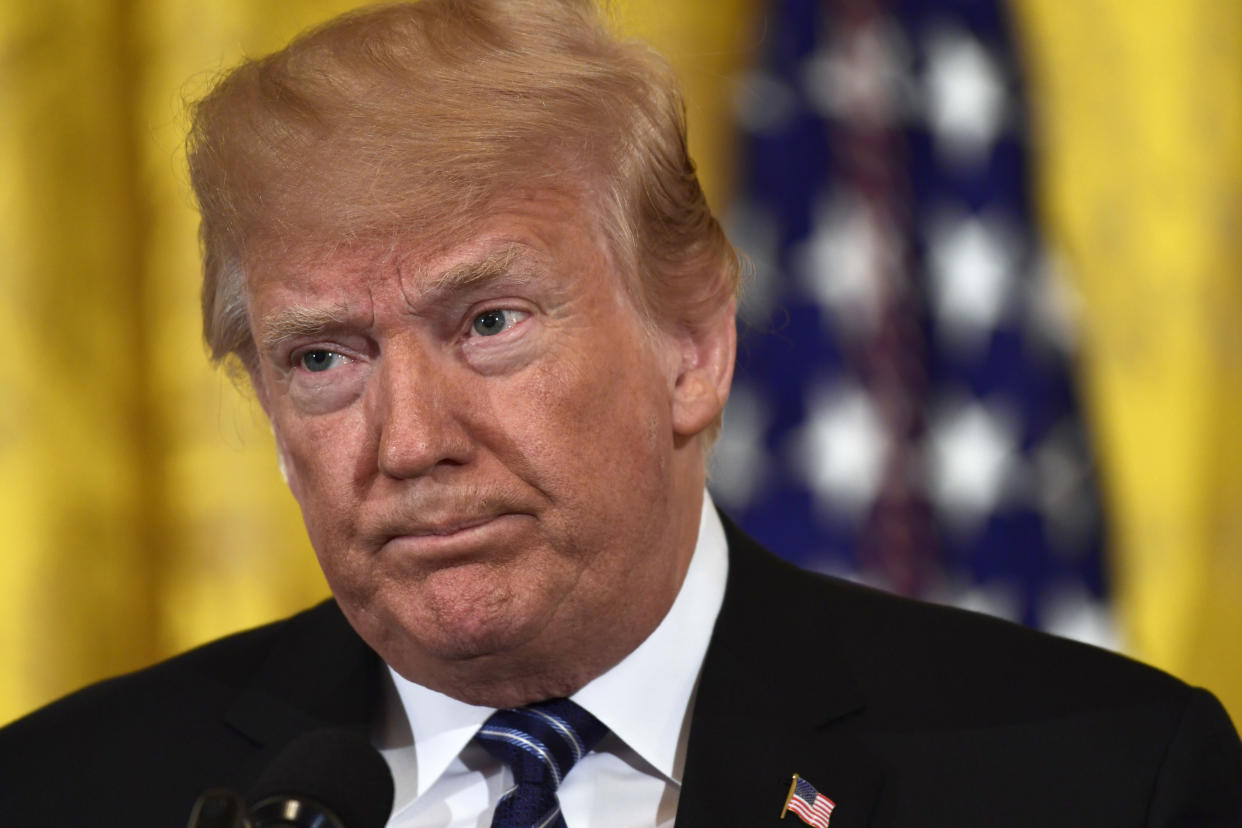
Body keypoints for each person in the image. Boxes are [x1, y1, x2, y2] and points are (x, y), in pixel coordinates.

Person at [1, 0, 1239, 826]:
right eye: (324, 358)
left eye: (489, 324)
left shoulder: (1097, 781)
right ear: (270, 418)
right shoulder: (67, 793)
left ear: (694, 345)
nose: (410, 441)